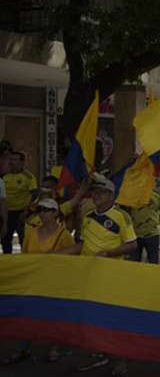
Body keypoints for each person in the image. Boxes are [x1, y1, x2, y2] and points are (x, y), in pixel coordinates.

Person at [67, 177, 135, 375]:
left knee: (112, 318)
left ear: (110, 195)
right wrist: (55, 256)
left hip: (111, 276)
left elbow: (132, 244)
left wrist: (108, 253)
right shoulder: (87, 216)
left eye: (100, 192)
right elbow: (82, 245)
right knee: (93, 316)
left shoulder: (121, 216)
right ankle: (104, 354)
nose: (95, 196)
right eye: (94, 192)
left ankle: (120, 361)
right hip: (89, 274)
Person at [1, 198, 75, 365]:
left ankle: (55, 346)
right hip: (34, 280)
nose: (42, 213)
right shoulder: (31, 232)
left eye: (47, 210)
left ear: (55, 213)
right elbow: (26, 256)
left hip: (55, 282)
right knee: (28, 313)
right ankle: (23, 347)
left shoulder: (63, 235)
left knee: (55, 315)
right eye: (40, 210)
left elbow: (73, 260)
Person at [2, 151, 38, 254]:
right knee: (5, 238)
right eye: (11, 159)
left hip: (22, 212)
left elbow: (35, 194)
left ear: (22, 162)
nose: (11, 162)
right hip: (7, 212)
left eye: (15, 159)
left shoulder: (28, 177)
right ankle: (7, 259)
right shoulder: (5, 176)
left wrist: (27, 211)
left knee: (23, 238)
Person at [124, 190, 160, 264]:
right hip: (135, 235)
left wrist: (158, 221)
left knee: (153, 262)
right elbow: (126, 212)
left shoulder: (157, 196)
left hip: (153, 235)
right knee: (134, 262)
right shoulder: (131, 195)